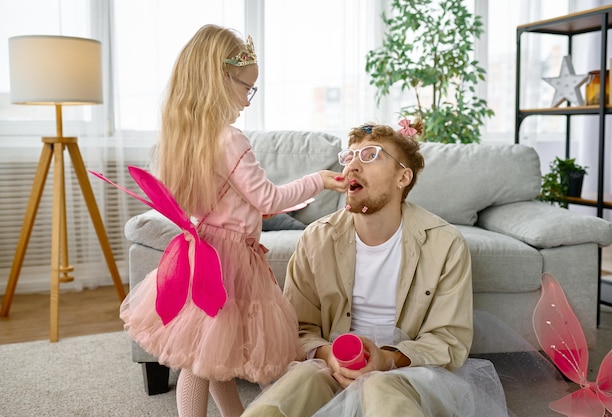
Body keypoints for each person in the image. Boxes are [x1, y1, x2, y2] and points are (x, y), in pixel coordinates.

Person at [119, 25, 348, 417]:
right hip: (227, 261)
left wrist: (250, 215)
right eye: (246, 87)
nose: (247, 99)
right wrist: (319, 180)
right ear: (219, 80)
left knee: (213, 350)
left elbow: (224, 202)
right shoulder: (230, 138)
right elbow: (267, 198)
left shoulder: (188, 138)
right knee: (199, 360)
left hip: (203, 251)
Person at [240, 121, 509, 417]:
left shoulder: (445, 243)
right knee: (302, 380)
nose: (353, 165)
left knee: (380, 388)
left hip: (406, 370)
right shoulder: (316, 239)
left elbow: (448, 340)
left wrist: (384, 359)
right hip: (331, 364)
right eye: (350, 156)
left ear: (402, 177)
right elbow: (299, 328)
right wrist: (328, 355)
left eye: (370, 156)